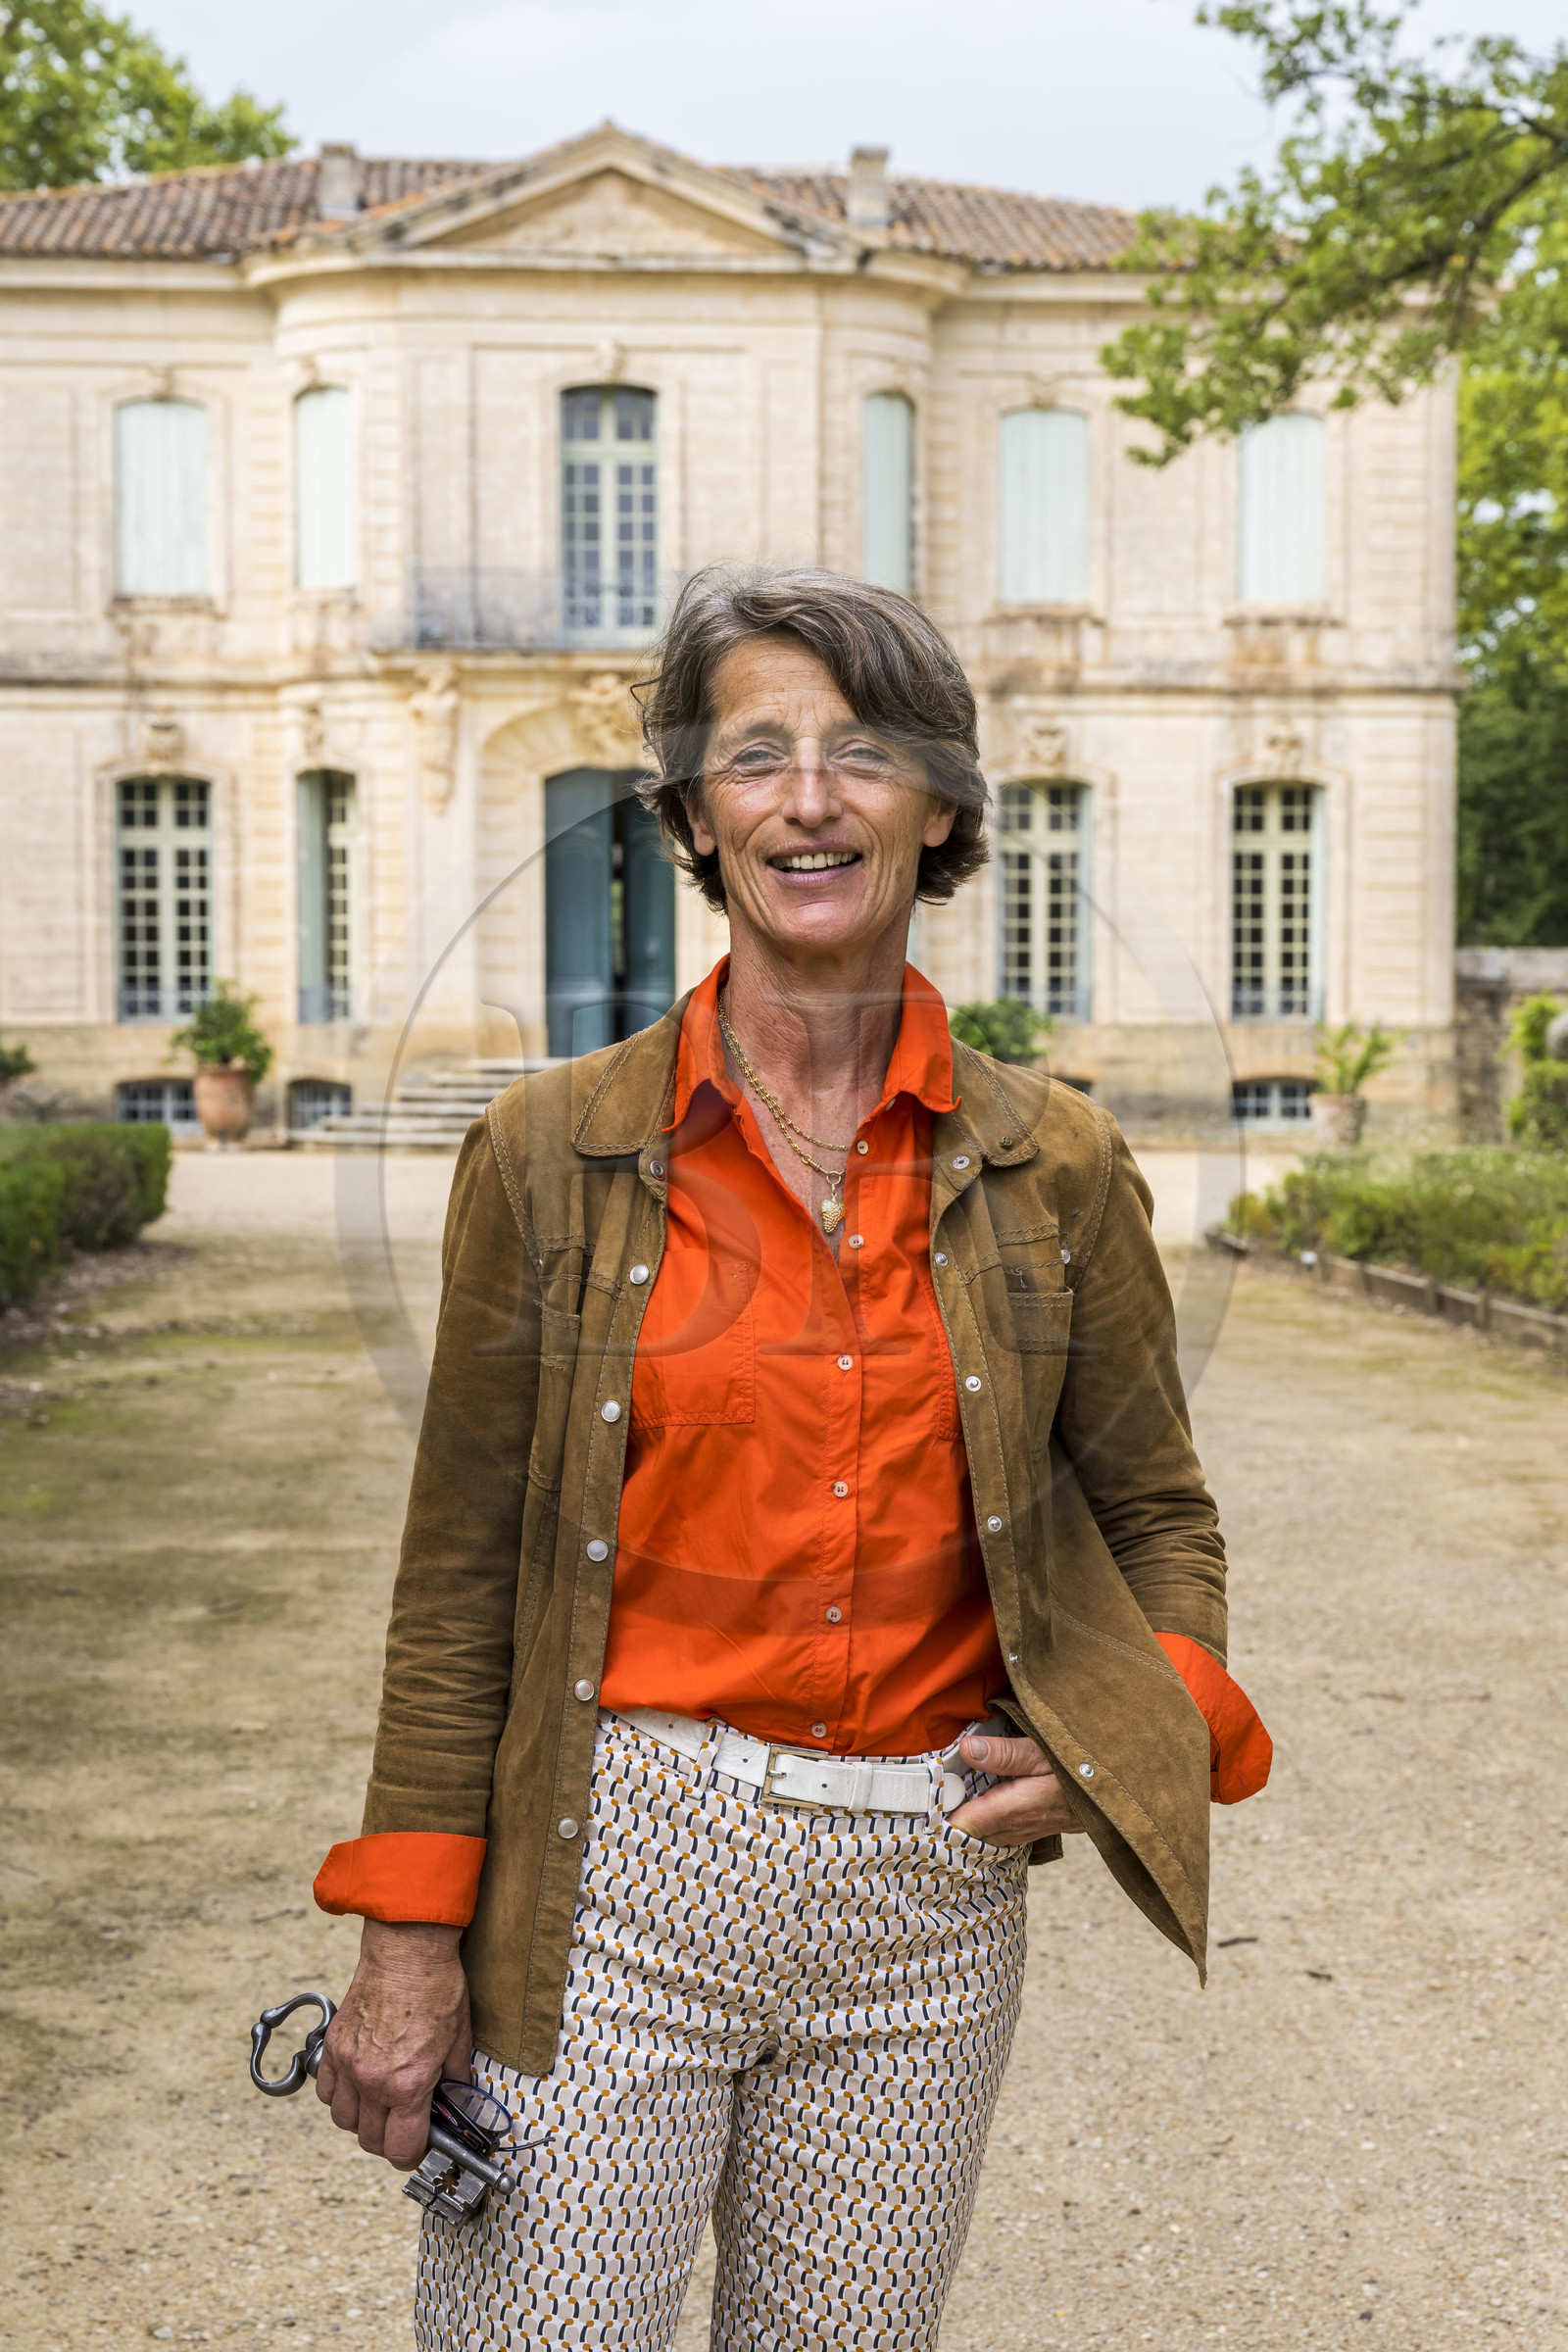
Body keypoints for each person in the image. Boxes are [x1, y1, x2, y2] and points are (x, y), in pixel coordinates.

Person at [311, 566, 1270, 2348]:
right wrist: (404, 1940)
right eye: (756, 755)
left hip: (928, 1889)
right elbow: (455, 1590)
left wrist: (1144, 1732)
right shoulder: (545, 1154)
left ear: (941, 807)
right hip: (616, 1863)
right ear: (691, 809)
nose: (810, 798)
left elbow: (1159, 1515)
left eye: (864, 753)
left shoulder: (1060, 1166)